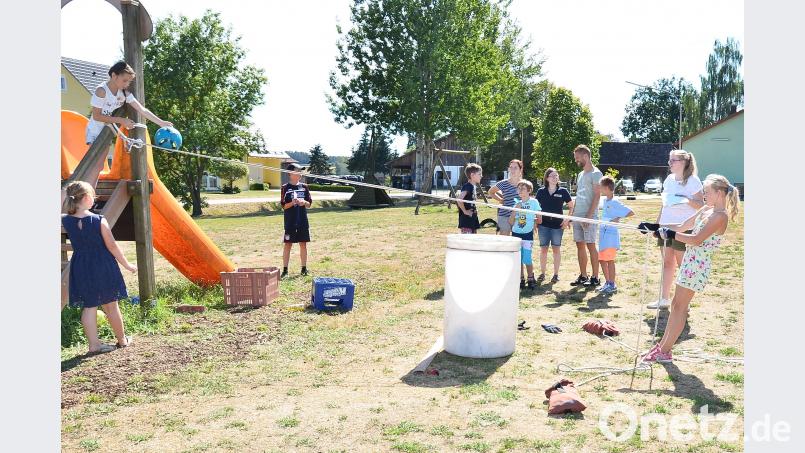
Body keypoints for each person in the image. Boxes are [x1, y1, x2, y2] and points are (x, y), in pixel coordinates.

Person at [639, 174, 740, 363]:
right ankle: (662, 347)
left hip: (698, 266)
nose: (703, 194)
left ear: (719, 193)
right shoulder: (706, 209)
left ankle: (665, 351)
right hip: (690, 262)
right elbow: (682, 226)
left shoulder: (720, 216)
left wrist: (670, 234)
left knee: (680, 308)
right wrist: (656, 227)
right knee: (676, 305)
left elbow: (695, 239)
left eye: (707, 192)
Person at [62, 181, 136, 354]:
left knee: (89, 306)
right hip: (103, 266)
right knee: (111, 305)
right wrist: (127, 264)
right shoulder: (99, 220)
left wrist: (66, 192)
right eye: (93, 196)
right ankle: (122, 340)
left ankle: (94, 345)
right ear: (87, 198)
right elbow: (112, 246)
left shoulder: (66, 220)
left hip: (81, 266)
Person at [647, 150, 704, 309]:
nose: (670, 163)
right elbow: (664, 204)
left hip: (683, 229)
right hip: (665, 227)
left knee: (683, 265)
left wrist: (685, 200)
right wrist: (657, 225)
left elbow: (701, 205)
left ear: (684, 162)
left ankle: (683, 302)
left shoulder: (693, 181)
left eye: (674, 160)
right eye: (669, 160)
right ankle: (664, 299)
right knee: (667, 263)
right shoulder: (669, 180)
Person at [569, 145, 603, 288]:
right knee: (580, 245)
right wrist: (572, 214)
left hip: (589, 215)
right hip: (578, 215)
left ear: (585, 156)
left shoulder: (596, 173)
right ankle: (583, 276)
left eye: (577, 158)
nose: (576, 160)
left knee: (590, 245)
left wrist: (589, 216)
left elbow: (597, 195)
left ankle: (595, 277)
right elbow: (578, 196)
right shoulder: (580, 174)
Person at [596, 176, 634, 294]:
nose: (600, 189)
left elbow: (631, 212)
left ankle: (612, 284)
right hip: (603, 234)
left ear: (607, 188)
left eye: (601, 187)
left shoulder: (615, 201)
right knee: (601, 259)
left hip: (611, 236)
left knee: (609, 260)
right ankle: (607, 282)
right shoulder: (605, 201)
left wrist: (617, 218)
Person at [535, 167, 573, 283]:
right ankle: (542, 273)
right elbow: (536, 207)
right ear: (547, 178)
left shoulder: (563, 191)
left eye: (556, 175)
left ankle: (556, 274)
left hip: (557, 226)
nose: (555, 177)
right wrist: (537, 220)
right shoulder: (541, 191)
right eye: (552, 175)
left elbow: (571, 206)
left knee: (556, 249)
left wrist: (567, 219)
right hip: (544, 225)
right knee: (544, 250)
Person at [281, 163, 313, 278]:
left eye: (301, 171)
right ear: (290, 173)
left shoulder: (304, 187)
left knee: (303, 244)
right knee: (288, 245)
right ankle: (285, 270)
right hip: (290, 221)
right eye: (297, 170)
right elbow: (284, 206)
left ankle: (304, 269)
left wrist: (304, 202)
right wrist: (292, 203)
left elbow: (309, 203)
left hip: (302, 221)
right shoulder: (285, 187)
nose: (300, 173)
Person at [508, 180, 541, 289]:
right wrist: (515, 210)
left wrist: (535, 222)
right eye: (519, 189)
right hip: (516, 233)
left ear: (529, 190)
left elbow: (539, 218)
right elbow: (511, 222)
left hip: (527, 234)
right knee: (518, 258)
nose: (520, 191)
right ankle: (521, 278)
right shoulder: (516, 203)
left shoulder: (534, 202)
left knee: (527, 258)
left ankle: (531, 278)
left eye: (523, 188)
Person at [488, 159, 523, 236]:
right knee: (504, 239)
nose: (512, 170)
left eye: (515, 167)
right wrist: (500, 200)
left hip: (519, 216)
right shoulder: (503, 183)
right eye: (511, 167)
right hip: (504, 215)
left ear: (520, 170)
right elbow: (490, 192)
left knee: (518, 239)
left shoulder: (524, 184)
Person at [457, 163, 483, 234]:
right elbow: (459, 199)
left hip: (472, 219)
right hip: (466, 220)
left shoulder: (473, 186)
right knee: (467, 241)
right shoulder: (468, 186)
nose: (481, 176)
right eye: (479, 174)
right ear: (472, 175)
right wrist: (465, 211)